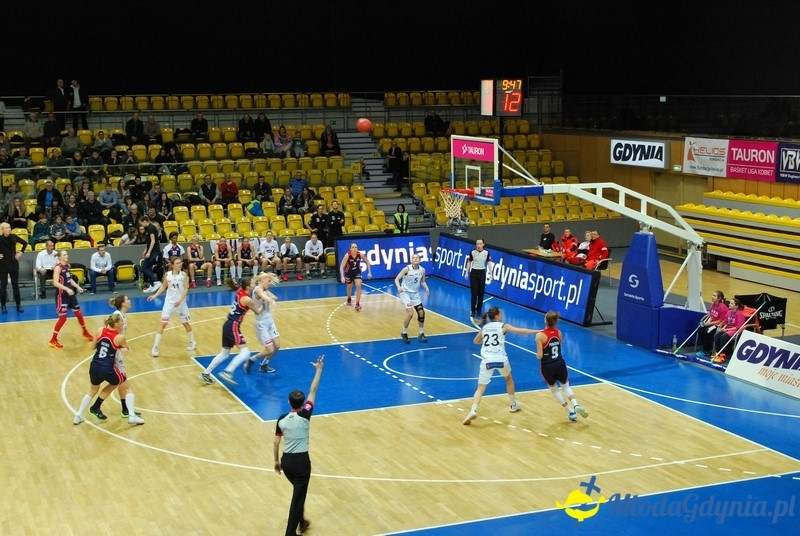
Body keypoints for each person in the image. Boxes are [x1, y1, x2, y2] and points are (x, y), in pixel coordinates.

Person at [274, 355, 324, 536]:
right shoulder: (306, 415)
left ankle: (302, 522)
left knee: (298, 493)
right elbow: (313, 390)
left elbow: (276, 442)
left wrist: (276, 461)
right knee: (297, 497)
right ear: (303, 404)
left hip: (287, 461)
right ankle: (290, 532)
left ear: (289, 403)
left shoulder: (281, 419)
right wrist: (319, 370)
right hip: (302, 462)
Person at [462, 306, 537, 425]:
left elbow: (475, 341)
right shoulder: (503, 326)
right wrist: (536, 331)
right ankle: (513, 404)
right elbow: (520, 331)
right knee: (508, 378)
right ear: (496, 316)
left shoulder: (484, 327)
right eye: (500, 313)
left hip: (487, 361)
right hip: (501, 359)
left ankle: (473, 410)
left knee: (480, 388)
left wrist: (486, 344)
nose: (502, 315)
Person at [71, 311, 144, 426]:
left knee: (93, 390)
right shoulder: (120, 337)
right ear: (116, 325)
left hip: (94, 365)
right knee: (128, 387)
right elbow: (127, 349)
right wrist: (120, 348)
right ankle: (131, 415)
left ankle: (78, 415)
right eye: (121, 321)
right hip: (107, 368)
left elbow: (92, 347)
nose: (123, 323)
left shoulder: (100, 330)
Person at [199, 277, 262, 385]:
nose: (254, 284)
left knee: (224, 353)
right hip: (233, 325)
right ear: (248, 286)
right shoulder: (247, 299)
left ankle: (205, 373)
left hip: (228, 324)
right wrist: (265, 303)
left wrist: (260, 277)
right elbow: (257, 312)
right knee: (245, 352)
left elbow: (250, 280)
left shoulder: (240, 291)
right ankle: (228, 372)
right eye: (252, 283)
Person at [535, 311, 589, 422]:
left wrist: (538, 354)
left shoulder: (539, 335)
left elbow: (540, 355)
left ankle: (571, 412)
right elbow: (560, 346)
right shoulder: (559, 332)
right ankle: (576, 404)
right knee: (566, 387)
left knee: (554, 390)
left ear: (545, 320)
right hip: (560, 363)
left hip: (547, 366)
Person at [147, 256, 197, 357]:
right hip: (169, 303)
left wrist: (179, 300)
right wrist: (155, 295)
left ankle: (192, 341)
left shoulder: (183, 275)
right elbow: (163, 286)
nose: (180, 264)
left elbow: (186, 289)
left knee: (185, 323)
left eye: (180, 263)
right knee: (163, 323)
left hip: (181, 303)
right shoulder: (167, 275)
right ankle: (155, 346)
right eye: (178, 263)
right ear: (173, 265)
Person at [50, 249, 94, 348]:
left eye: (67, 254)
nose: (67, 256)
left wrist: (78, 287)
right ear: (60, 257)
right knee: (63, 318)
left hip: (70, 294)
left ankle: (85, 332)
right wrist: (66, 289)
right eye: (65, 255)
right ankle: (53, 339)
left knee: (78, 313)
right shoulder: (58, 268)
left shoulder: (67, 266)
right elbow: (55, 283)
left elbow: (69, 280)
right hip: (62, 295)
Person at [242, 272, 281, 374]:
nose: (269, 283)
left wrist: (271, 298)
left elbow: (275, 297)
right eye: (268, 281)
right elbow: (264, 297)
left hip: (269, 321)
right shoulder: (257, 290)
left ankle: (264, 365)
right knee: (270, 349)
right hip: (261, 324)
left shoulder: (265, 290)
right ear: (262, 281)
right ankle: (251, 359)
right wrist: (270, 300)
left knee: (277, 346)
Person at [395, 253, 431, 343]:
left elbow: (422, 281)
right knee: (410, 314)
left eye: (417, 258)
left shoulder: (422, 270)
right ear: (411, 260)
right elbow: (396, 279)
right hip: (405, 293)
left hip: (415, 294)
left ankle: (421, 333)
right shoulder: (406, 269)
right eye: (413, 258)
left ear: (419, 260)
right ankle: (404, 332)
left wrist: (426, 288)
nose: (415, 259)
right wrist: (399, 287)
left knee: (421, 313)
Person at [712, 298, 747, 363]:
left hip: (735, 330)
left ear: (736, 306)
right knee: (717, 335)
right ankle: (718, 353)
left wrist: (726, 329)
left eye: (731, 303)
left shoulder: (739, 314)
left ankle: (723, 356)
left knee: (723, 337)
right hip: (728, 329)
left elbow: (738, 327)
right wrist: (722, 326)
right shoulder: (729, 312)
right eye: (730, 303)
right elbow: (725, 322)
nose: (729, 304)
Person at [695, 290, 729, 358]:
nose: (712, 297)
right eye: (712, 295)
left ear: (719, 298)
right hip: (712, 322)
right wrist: (707, 323)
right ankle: (707, 346)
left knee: (707, 331)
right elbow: (711, 315)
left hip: (718, 325)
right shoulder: (713, 305)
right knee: (700, 329)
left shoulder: (723, 308)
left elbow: (721, 321)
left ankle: (706, 350)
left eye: (714, 296)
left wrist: (709, 323)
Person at [0, 222, 25, 314]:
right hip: (2, 265)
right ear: (3, 230)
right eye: (7, 228)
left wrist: (21, 253)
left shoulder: (14, 237)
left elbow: (25, 243)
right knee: (3, 285)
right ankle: (3, 306)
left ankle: (19, 305)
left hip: (13, 264)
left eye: (10, 227)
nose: (9, 229)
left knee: (15, 285)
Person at [465, 238, 493, 320]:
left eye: (480, 244)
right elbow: (469, 262)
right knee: (474, 293)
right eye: (477, 244)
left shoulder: (486, 253)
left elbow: (489, 263)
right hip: (474, 273)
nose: (478, 245)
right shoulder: (473, 252)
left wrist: (491, 273)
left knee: (481, 293)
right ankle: (473, 310)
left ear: (483, 244)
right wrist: (467, 272)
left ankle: (479, 310)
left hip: (482, 273)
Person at [339, 242, 372, 311]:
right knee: (349, 287)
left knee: (358, 285)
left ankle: (357, 304)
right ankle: (349, 298)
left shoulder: (360, 254)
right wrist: (342, 276)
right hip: (349, 273)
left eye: (355, 247)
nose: (354, 249)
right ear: (350, 249)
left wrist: (369, 272)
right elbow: (342, 266)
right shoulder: (347, 255)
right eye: (353, 247)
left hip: (357, 272)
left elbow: (367, 262)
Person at [139, 214, 162, 293]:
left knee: (144, 267)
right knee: (148, 267)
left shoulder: (151, 228)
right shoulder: (148, 228)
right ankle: (152, 284)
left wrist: (149, 252)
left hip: (154, 251)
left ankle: (156, 282)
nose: (141, 225)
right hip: (151, 251)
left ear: (145, 221)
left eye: (142, 223)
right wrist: (145, 250)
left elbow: (153, 241)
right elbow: (149, 242)